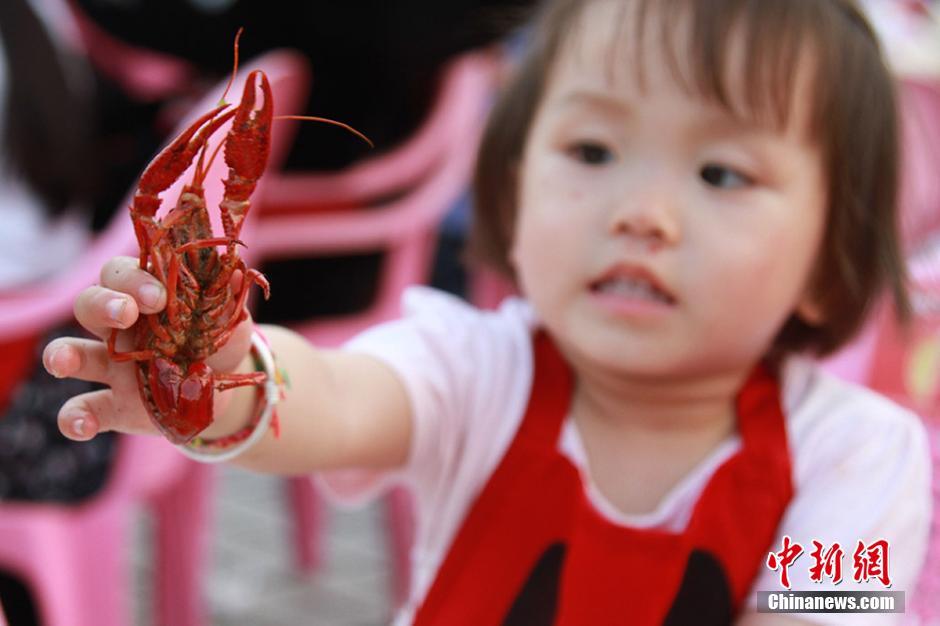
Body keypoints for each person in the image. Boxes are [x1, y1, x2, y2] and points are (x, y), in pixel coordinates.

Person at [43, 0, 932, 624]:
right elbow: (338, 399)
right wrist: (217, 377)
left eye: (721, 174)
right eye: (592, 149)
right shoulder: (473, 366)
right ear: (508, 183)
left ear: (831, 255)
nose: (641, 213)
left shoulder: (857, 453)